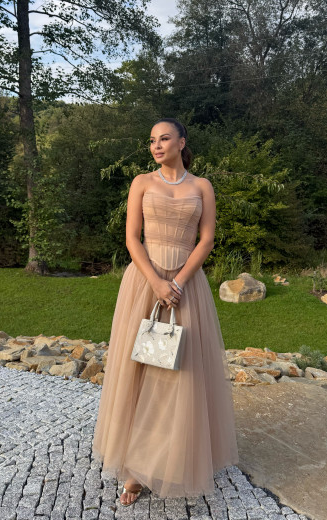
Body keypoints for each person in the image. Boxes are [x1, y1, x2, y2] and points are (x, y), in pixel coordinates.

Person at [91, 118, 239, 506]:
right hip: (145, 283)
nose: (157, 145)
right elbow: (131, 238)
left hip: (187, 288)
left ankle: (170, 458)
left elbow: (207, 239)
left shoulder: (202, 186)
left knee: (180, 375)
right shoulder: (141, 182)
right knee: (139, 370)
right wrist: (157, 283)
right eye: (152, 140)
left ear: (182, 142)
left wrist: (178, 283)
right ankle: (135, 469)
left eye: (165, 138)